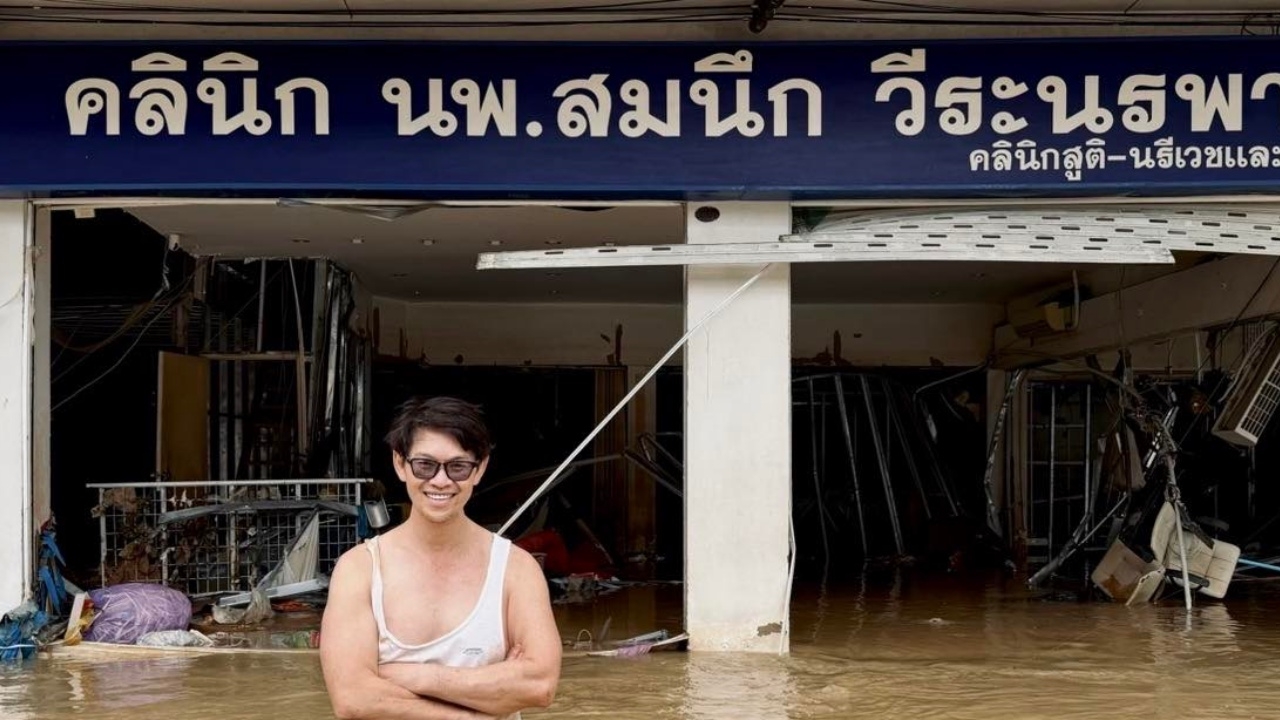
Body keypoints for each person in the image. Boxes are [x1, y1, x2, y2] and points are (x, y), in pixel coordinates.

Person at [320, 396, 562, 720]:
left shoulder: (516, 569)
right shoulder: (359, 570)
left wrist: (415, 676)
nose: (441, 480)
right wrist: (476, 710)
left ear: (481, 469)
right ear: (399, 464)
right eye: (425, 465)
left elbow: (539, 686)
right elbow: (353, 699)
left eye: (458, 467)